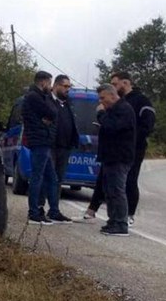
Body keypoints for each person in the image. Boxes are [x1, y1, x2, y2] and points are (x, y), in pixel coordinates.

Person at [85, 83, 135, 235]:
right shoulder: (113, 110)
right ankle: (113, 220)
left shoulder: (124, 109)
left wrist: (101, 115)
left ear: (113, 95)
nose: (101, 102)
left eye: (103, 98)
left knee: (117, 190)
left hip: (119, 157)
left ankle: (121, 223)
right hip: (110, 156)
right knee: (109, 191)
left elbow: (111, 127)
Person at [23, 71, 67, 224]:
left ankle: (54, 210)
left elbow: (53, 113)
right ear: (43, 82)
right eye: (49, 83)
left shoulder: (41, 97)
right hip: (39, 140)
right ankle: (33, 212)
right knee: (38, 177)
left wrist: (48, 116)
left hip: (45, 140)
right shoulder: (33, 97)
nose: (49, 86)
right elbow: (52, 111)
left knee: (52, 178)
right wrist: (47, 116)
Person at [111, 72, 155, 224]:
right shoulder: (119, 101)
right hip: (118, 147)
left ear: (125, 83)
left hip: (135, 148)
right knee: (115, 182)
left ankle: (130, 215)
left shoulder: (142, 101)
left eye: (115, 84)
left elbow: (148, 126)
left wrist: (132, 137)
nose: (113, 87)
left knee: (130, 180)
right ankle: (113, 215)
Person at [46, 75, 79, 220]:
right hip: (51, 146)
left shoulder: (68, 104)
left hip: (65, 147)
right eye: (65, 86)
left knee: (58, 179)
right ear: (56, 86)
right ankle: (39, 208)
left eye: (69, 87)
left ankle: (54, 210)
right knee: (47, 178)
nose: (68, 89)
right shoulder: (47, 101)